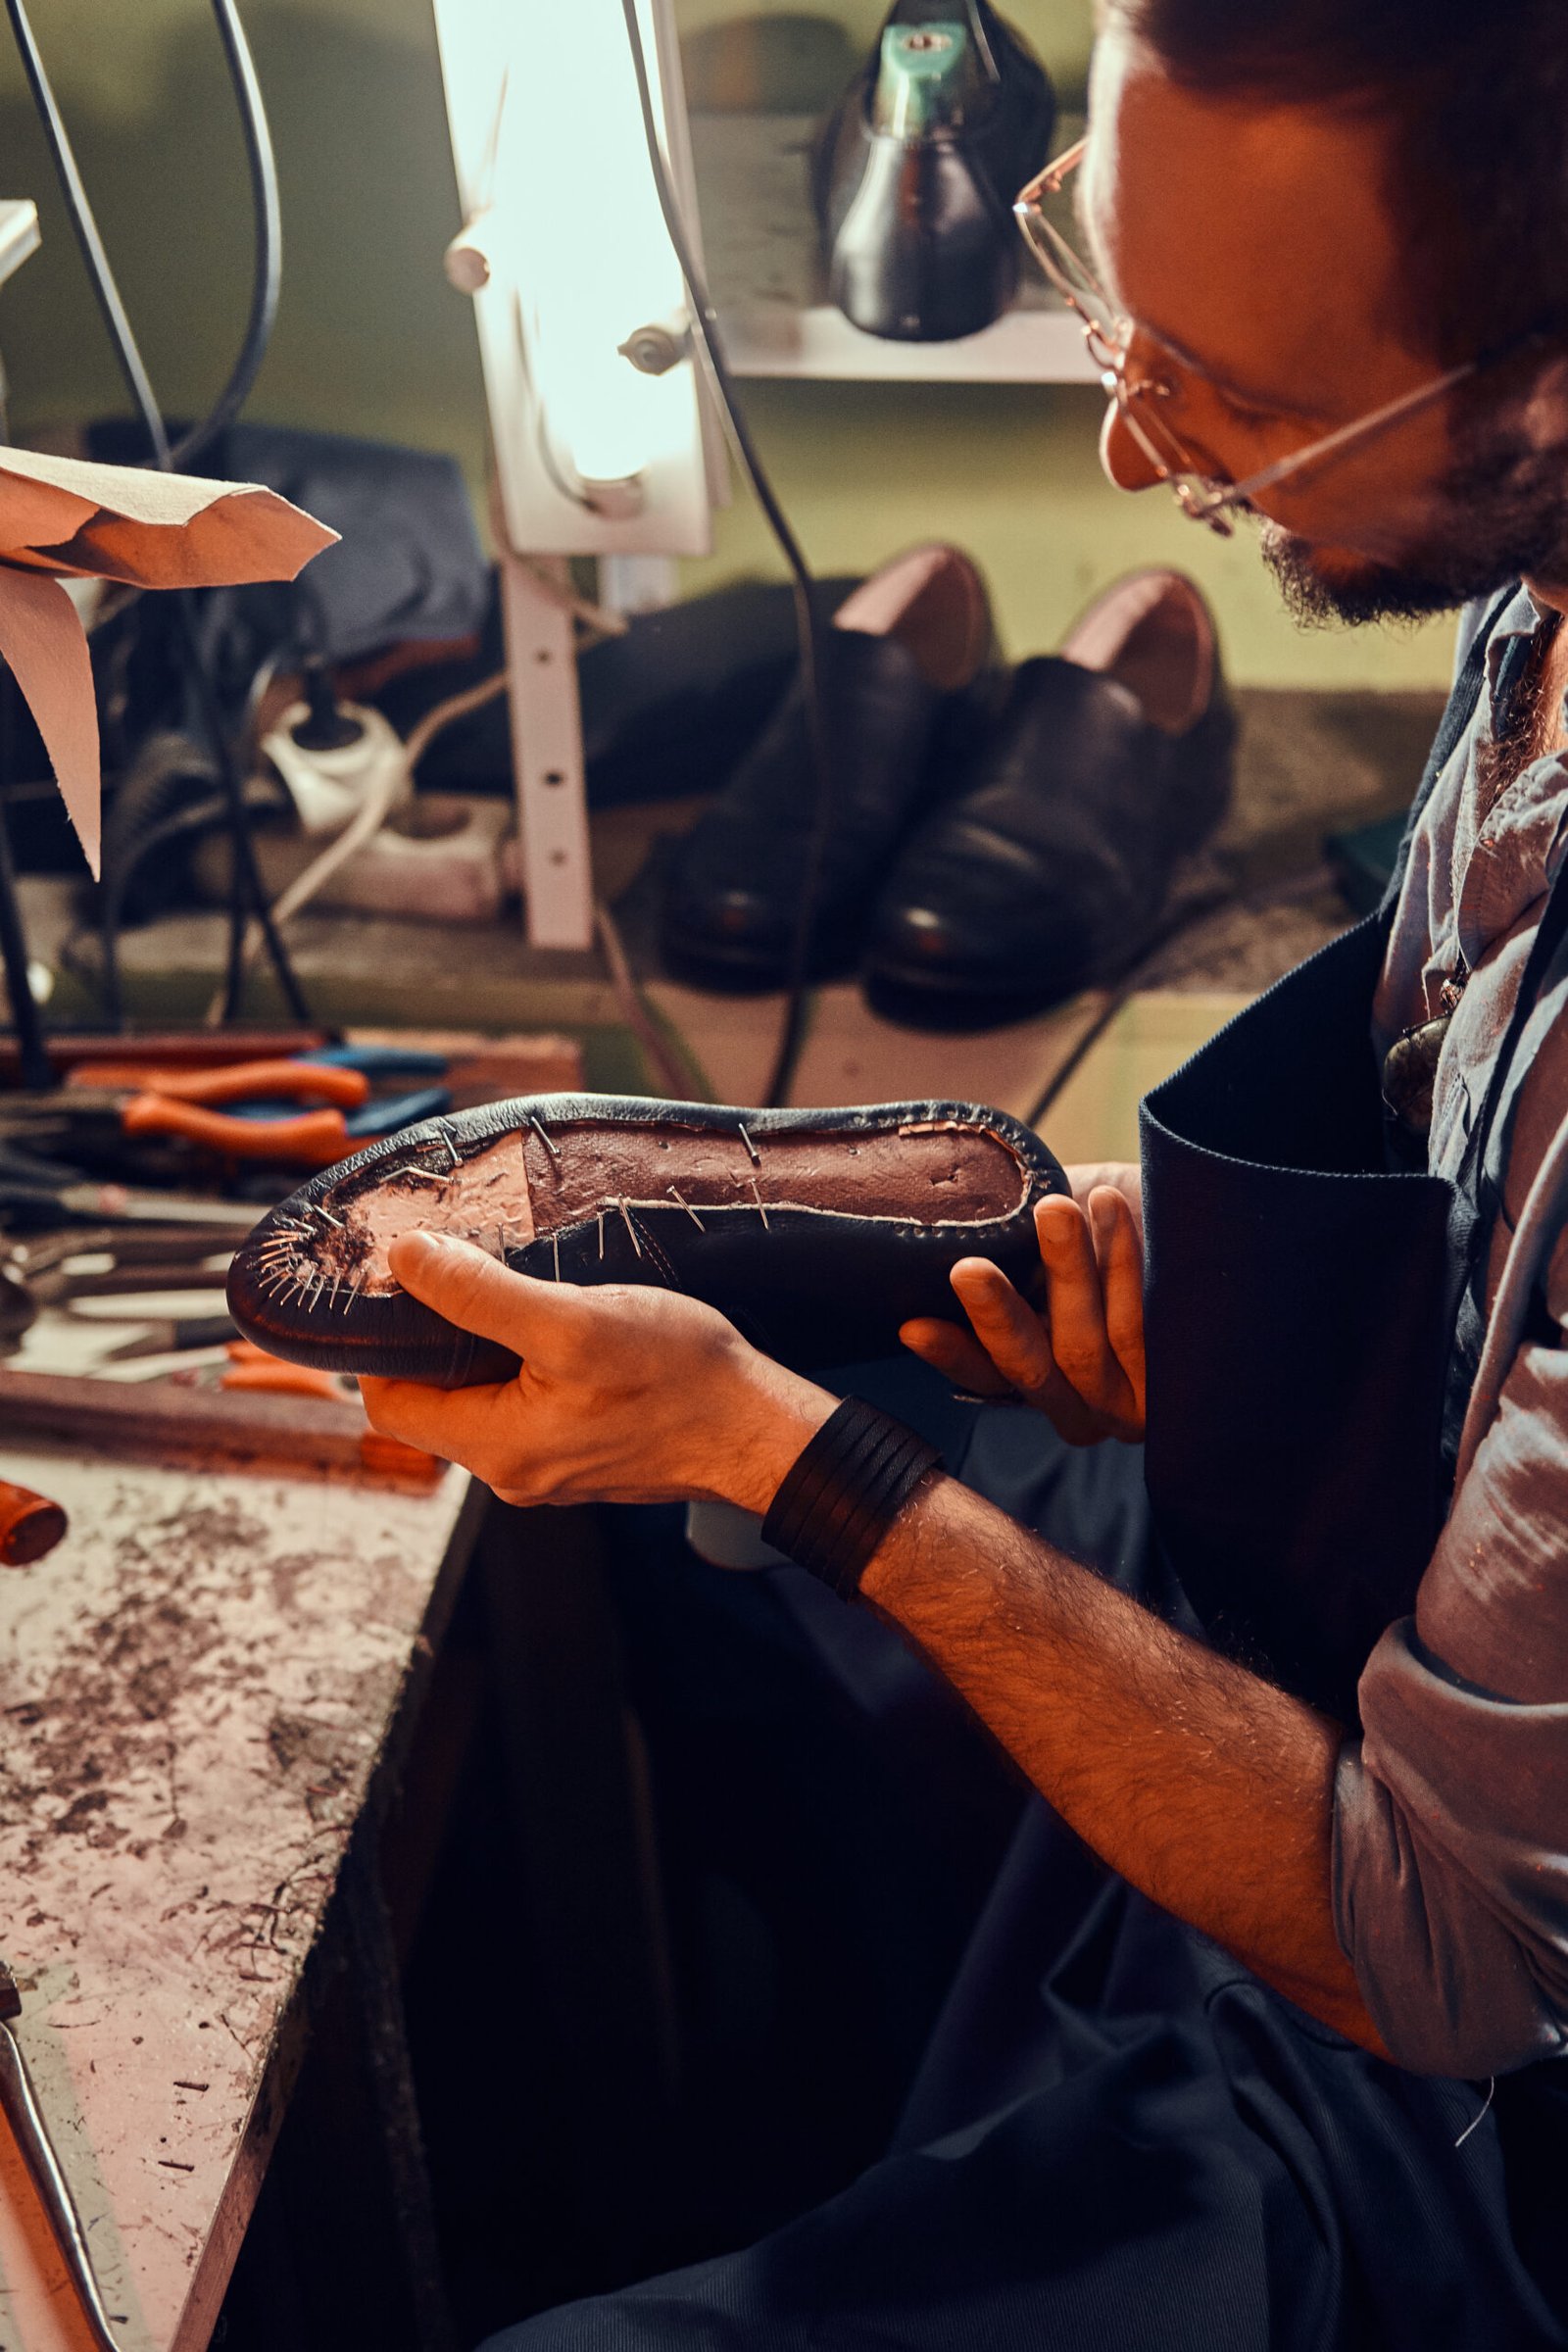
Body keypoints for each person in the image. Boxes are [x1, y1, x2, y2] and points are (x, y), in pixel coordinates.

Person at [363, 1, 1568, 2342]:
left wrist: (771, 1443)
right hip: (1385, 1681)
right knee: (688, 1597)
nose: (1130, 453)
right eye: (1112, 303)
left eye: (1234, 395)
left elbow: (1448, 1952)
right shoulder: (1528, 598)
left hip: (1468, 2130)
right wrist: (1232, 1317)